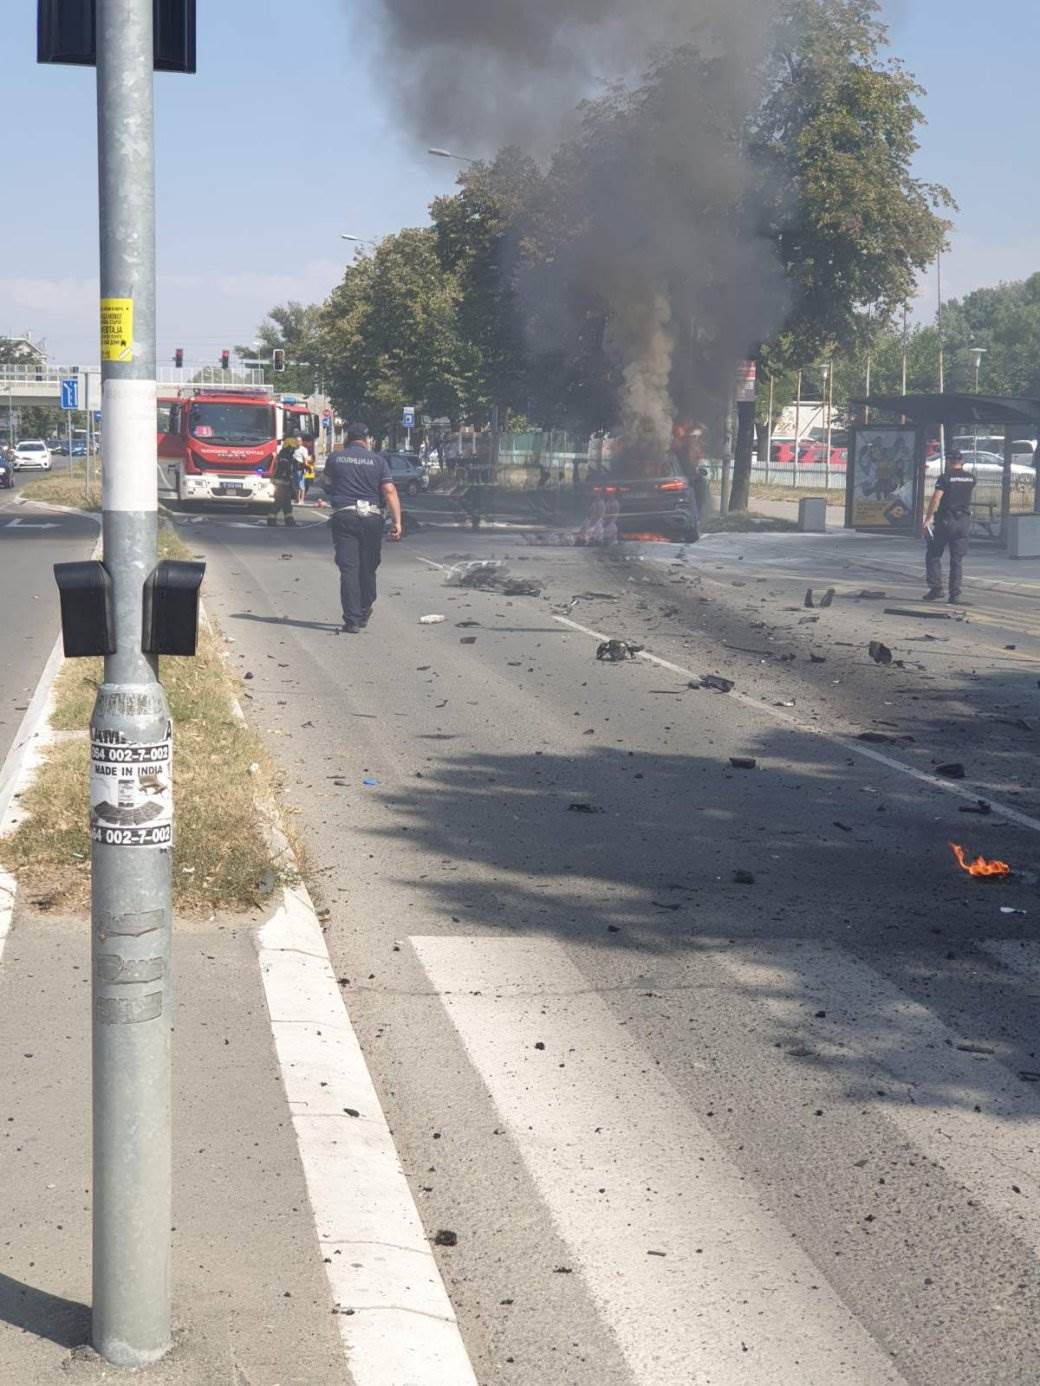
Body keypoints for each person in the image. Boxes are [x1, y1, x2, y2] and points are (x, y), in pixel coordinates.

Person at [322, 423, 402, 634]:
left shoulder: (335, 458)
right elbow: (389, 490)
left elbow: (327, 483)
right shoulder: (378, 461)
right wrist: (397, 522)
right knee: (368, 567)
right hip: (372, 519)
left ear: (348, 438)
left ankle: (352, 620)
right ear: (366, 440)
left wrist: (336, 492)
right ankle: (365, 607)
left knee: (348, 569)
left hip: (345, 516)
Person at [923, 448, 976, 604]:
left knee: (933, 554)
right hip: (963, 521)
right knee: (957, 559)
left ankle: (936, 588)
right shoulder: (971, 478)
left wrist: (928, 518)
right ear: (962, 461)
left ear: (948, 461)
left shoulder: (945, 478)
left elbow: (936, 498)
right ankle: (955, 595)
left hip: (946, 520)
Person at [269, 436, 297, 527]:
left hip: (285, 482)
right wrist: (290, 473)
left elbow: (294, 464)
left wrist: (304, 466)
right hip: (280, 482)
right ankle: (271, 520)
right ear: (288, 446)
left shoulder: (288, 455)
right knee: (279, 501)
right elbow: (286, 467)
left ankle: (289, 520)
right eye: (292, 447)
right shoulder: (284, 455)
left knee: (287, 502)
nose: (293, 449)